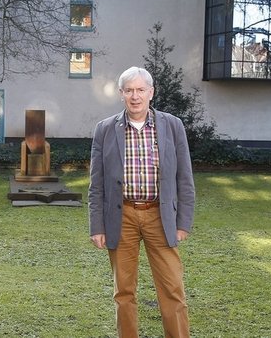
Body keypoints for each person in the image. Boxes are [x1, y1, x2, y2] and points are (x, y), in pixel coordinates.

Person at [88, 66, 195, 337]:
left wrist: (183, 222)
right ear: (121, 93)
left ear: (151, 93)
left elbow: (185, 177)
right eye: (129, 90)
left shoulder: (172, 125)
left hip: (160, 215)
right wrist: (97, 226)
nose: (135, 96)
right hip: (120, 216)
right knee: (123, 291)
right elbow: (96, 183)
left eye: (140, 90)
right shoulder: (104, 129)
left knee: (172, 288)